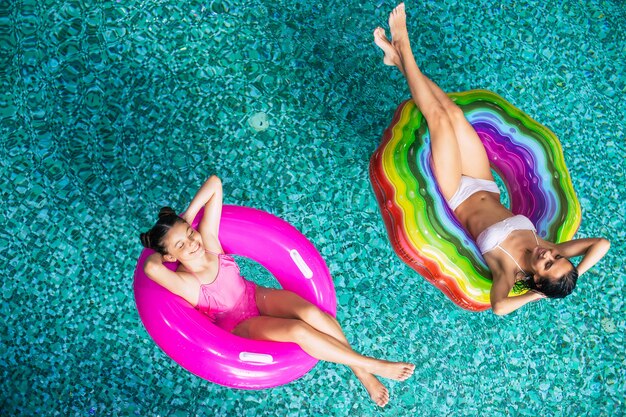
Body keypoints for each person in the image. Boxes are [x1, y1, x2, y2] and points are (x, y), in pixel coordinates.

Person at [373, 3, 610, 315]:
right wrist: (572, 270)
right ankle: (399, 61)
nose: (548, 254)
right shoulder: (549, 249)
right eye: (556, 256)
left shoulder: (508, 273)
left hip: (456, 191)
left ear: (537, 278)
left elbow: (498, 307)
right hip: (483, 182)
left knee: (439, 120)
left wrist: (536, 296)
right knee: (455, 114)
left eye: (547, 264)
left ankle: (404, 45)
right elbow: (602, 245)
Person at [140, 175, 415, 407]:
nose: (191, 243)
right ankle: (370, 366)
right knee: (298, 331)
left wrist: (187, 217)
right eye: (180, 246)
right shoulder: (186, 283)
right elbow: (151, 269)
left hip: (255, 295)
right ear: (169, 257)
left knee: (309, 312)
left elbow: (214, 183)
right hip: (240, 324)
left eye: (189, 233)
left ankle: (360, 371)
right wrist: (159, 250)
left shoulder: (208, 240)